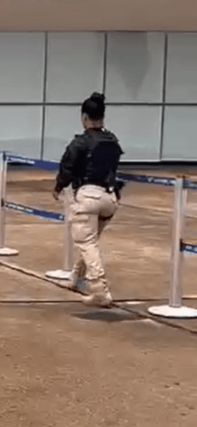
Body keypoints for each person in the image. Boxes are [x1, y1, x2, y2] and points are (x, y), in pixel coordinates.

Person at [52, 92, 124, 308]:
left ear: (84, 118)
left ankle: (100, 290)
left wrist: (58, 187)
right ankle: (77, 277)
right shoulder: (112, 141)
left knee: (87, 243)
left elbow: (67, 168)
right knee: (90, 240)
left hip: (88, 196)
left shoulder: (80, 142)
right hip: (110, 197)